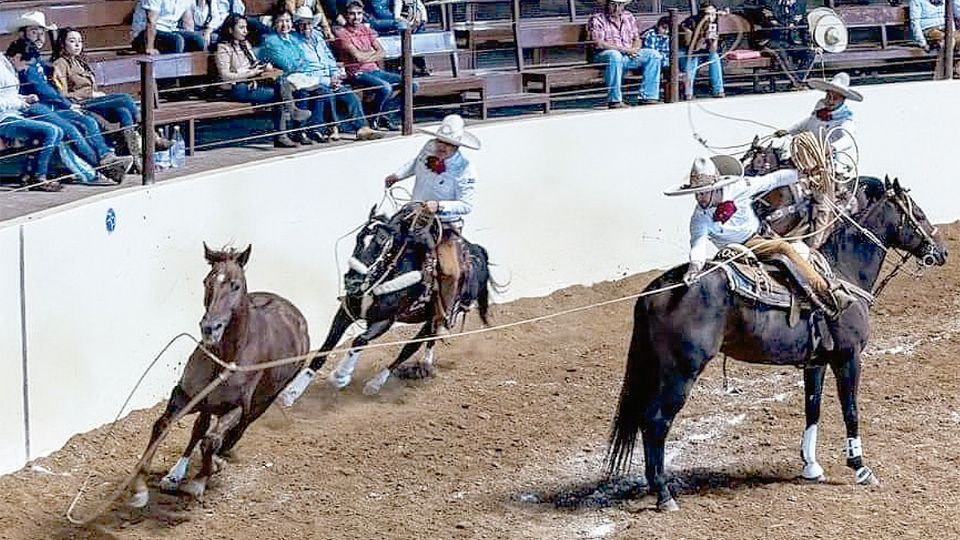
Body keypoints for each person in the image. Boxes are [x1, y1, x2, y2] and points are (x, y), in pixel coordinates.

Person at [666, 155, 854, 318]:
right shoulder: (699, 218)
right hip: (735, 249)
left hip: (760, 235)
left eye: (704, 192)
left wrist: (801, 175)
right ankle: (828, 292)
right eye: (697, 194)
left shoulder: (740, 187)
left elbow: (772, 180)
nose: (700, 198)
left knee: (798, 248)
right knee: (784, 248)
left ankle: (817, 288)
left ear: (716, 188)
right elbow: (697, 243)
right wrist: (695, 266)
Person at [384, 114, 480, 328]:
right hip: (415, 213)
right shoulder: (428, 147)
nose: (441, 147)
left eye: (448, 144)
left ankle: (443, 316)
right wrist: (398, 175)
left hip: (443, 225)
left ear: (457, 146)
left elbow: (467, 205)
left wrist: (440, 205)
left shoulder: (465, 170)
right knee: (382, 239)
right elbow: (414, 163)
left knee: (449, 271)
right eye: (440, 141)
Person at [9, 38, 132, 183]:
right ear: (17, 57)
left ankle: (106, 156)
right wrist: (66, 104)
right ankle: (106, 167)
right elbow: (42, 89)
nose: (26, 67)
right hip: (33, 106)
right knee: (70, 130)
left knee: (88, 121)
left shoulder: (29, 61)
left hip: (49, 105)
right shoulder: (17, 67)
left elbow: (44, 77)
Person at [774, 72, 861, 248]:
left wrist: (831, 148)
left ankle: (817, 243)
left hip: (828, 167)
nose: (830, 99)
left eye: (835, 97)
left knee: (823, 202)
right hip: (807, 161)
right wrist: (787, 131)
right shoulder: (818, 112)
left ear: (842, 99)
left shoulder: (846, 119)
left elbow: (848, 138)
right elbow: (803, 125)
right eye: (829, 95)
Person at [50, 28, 152, 173]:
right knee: (125, 98)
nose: (77, 45)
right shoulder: (60, 64)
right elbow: (63, 94)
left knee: (123, 111)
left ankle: (134, 158)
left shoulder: (80, 62)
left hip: (94, 102)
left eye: (79, 41)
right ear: (63, 44)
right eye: (72, 41)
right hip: (79, 104)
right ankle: (150, 134)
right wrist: (90, 94)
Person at [215, 13, 311, 148]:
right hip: (236, 88)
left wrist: (263, 67)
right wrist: (249, 74)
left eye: (246, 27)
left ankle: (288, 123)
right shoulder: (223, 48)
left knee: (281, 82)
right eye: (241, 28)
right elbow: (225, 76)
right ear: (230, 30)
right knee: (280, 94)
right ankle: (283, 131)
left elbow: (253, 63)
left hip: (252, 84)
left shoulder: (245, 44)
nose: (245, 31)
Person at [293, 7, 382, 141]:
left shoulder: (318, 36)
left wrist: (334, 74)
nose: (306, 26)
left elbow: (329, 58)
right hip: (313, 81)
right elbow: (302, 70)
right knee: (327, 93)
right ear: (297, 24)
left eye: (309, 23)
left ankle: (362, 128)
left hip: (330, 78)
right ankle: (332, 128)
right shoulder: (295, 42)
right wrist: (327, 80)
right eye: (302, 23)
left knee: (351, 97)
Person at [335, 0, 412, 131]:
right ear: (346, 15)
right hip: (357, 73)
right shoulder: (342, 33)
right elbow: (357, 57)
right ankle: (373, 118)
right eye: (352, 14)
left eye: (359, 13)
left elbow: (382, 52)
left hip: (374, 70)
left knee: (411, 84)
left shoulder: (367, 30)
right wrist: (370, 54)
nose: (356, 17)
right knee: (385, 88)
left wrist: (365, 56)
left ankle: (385, 116)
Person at [259, 9, 332, 144]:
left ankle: (315, 128)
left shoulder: (293, 39)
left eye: (287, 21)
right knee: (302, 92)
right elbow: (286, 64)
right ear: (275, 23)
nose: (284, 24)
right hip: (283, 79)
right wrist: (295, 64)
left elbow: (303, 60)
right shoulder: (271, 40)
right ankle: (300, 132)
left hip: (299, 76)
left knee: (322, 90)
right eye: (280, 21)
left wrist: (296, 64)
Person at [0, 48, 65, 192]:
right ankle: (39, 177)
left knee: (58, 131)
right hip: (4, 119)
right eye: (26, 64)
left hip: (14, 114)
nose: (26, 68)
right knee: (52, 131)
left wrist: (24, 98)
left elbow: (7, 95)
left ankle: (29, 174)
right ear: (17, 56)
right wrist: (19, 103)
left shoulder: (8, 66)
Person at [587, 0, 663, 108]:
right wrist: (625, 50)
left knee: (653, 55)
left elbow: (637, 38)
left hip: (628, 54)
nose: (616, 8)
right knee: (614, 55)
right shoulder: (597, 18)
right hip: (605, 56)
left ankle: (648, 96)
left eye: (619, 4)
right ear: (607, 4)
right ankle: (615, 100)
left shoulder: (629, 16)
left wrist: (635, 49)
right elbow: (599, 44)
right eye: (613, 4)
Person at [747, 0, 813, 88]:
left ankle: (797, 81)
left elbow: (804, 26)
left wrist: (809, 44)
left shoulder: (800, 3)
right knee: (780, 51)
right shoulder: (767, 2)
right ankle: (797, 83)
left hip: (789, 41)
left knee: (810, 52)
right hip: (768, 40)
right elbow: (749, 8)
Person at [679, 2, 725, 99]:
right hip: (686, 53)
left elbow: (713, 50)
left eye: (713, 14)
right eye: (708, 14)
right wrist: (704, 38)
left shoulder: (714, 24)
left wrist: (713, 40)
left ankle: (718, 90)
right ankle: (688, 92)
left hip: (703, 53)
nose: (711, 17)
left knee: (715, 57)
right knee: (693, 59)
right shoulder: (690, 23)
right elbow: (693, 49)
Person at [131, 0, 207, 54]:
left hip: (169, 30)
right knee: (176, 41)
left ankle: (191, 75)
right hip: (144, 34)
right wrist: (149, 48)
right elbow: (151, 21)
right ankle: (171, 76)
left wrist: (191, 38)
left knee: (197, 40)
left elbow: (187, 21)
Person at [908, 0, 960, 73]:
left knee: (954, 39)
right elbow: (914, 22)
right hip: (929, 30)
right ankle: (943, 72)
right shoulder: (916, 1)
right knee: (949, 40)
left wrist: (953, 31)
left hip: (947, 29)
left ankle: (957, 69)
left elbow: (954, 14)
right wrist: (922, 42)